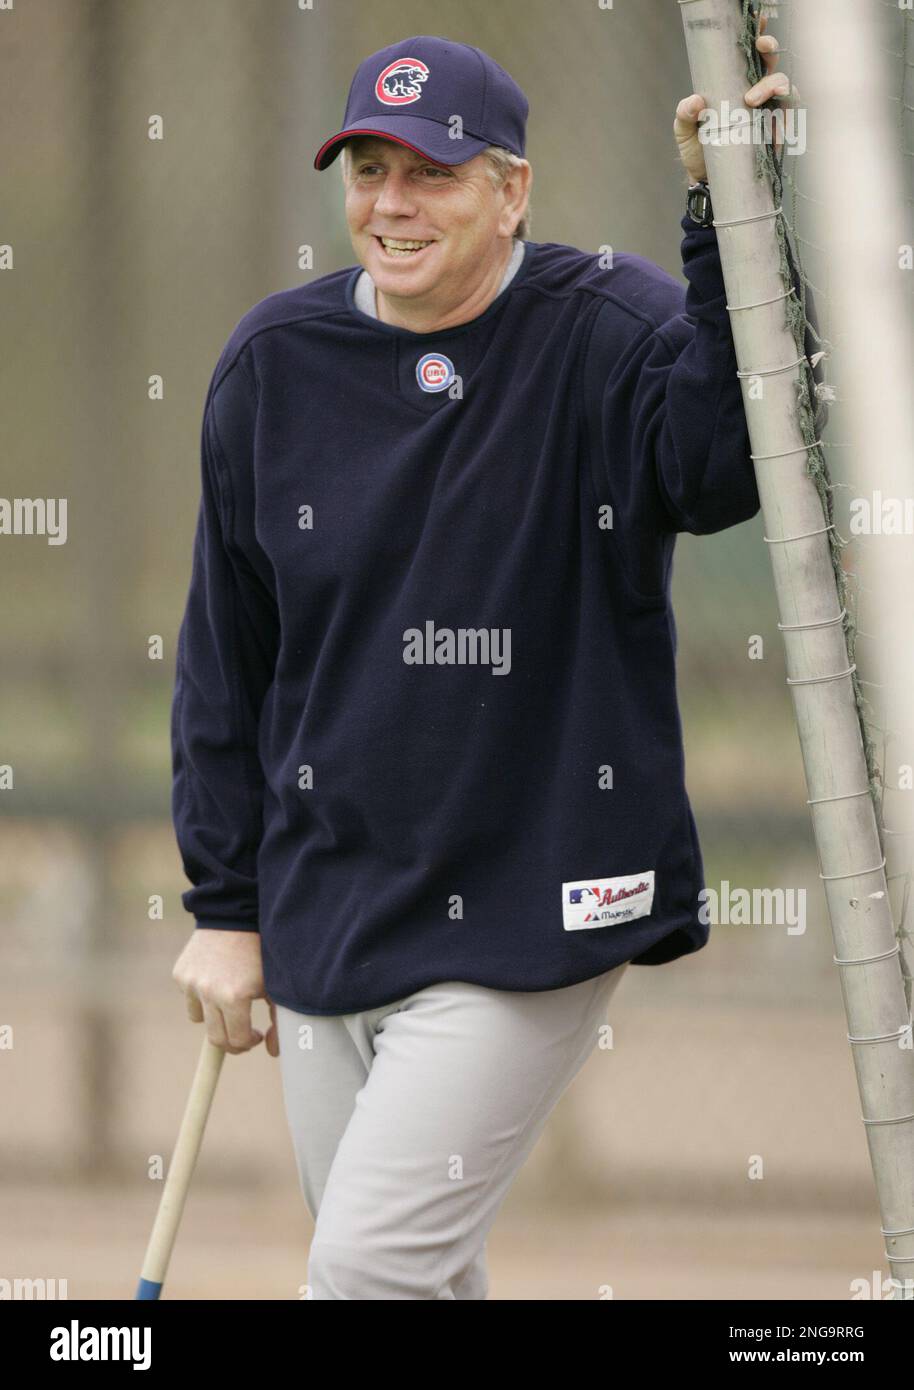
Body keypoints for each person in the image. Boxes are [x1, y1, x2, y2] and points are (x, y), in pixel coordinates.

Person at [170, 28, 790, 1299]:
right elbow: (224, 668)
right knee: (419, 1274)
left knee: (364, 1267)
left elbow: (721, 466)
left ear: (511, 191)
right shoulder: (269, 368)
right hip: (329, 906)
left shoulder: (606, 329)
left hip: (535, 895)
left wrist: (726, 212)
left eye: (432, 173)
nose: (391, 205)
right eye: (366, 171)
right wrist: (225, 910)